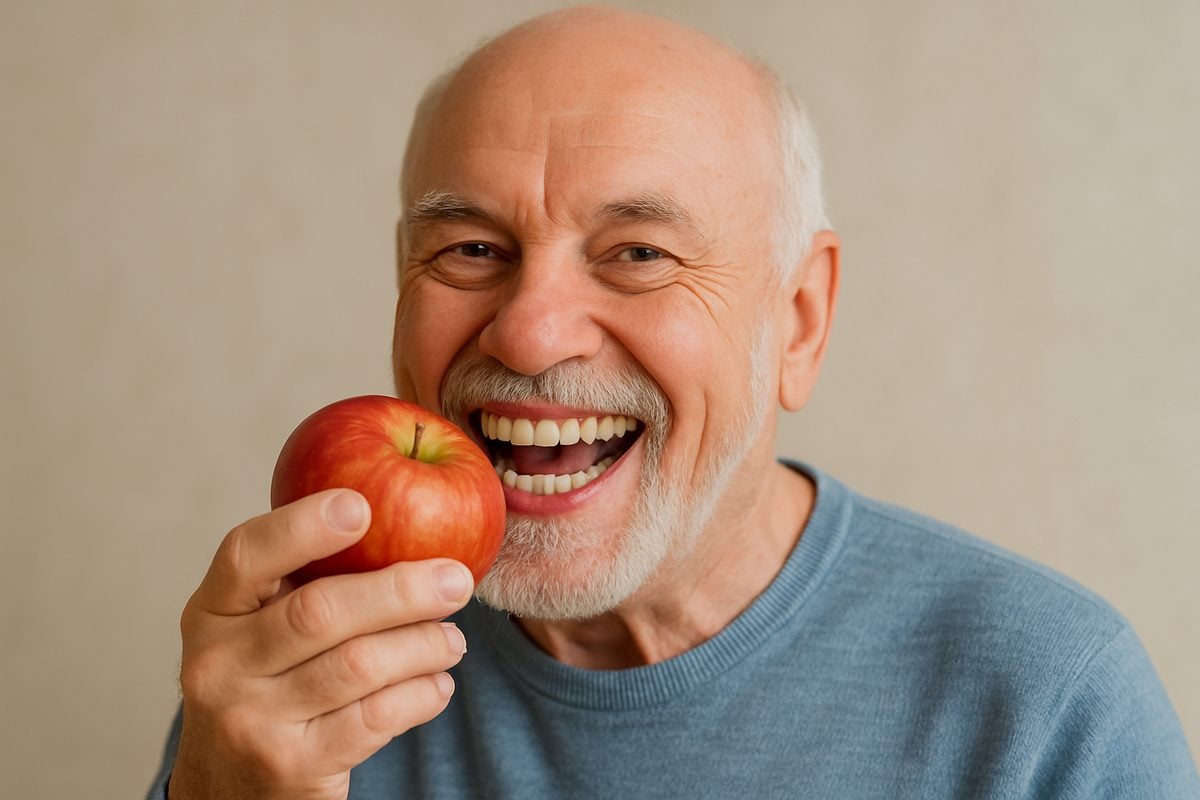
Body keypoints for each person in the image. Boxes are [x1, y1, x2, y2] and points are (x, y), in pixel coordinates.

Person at [148, 7, 1199, 799]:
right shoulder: (305, 678)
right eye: (470, 249)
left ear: (797, 320)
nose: (528, 329)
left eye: (638, 253)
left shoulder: (1047, 703)